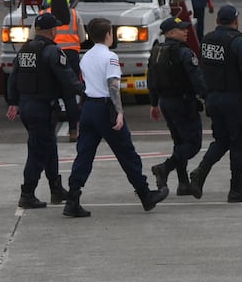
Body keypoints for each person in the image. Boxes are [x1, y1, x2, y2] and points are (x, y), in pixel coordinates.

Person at [62, 17, 168, 217]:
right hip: (105, 108)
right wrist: (119, 112)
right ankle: (145, 195)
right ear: (109, 34)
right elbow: (113, 87)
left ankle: (72, 198)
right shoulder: (110, 58)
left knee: (84, 155)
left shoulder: (85, 57)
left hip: (88, 109)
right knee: (127, 153)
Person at [190, 6, 242, 203]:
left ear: (217, 21)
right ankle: (236, 189)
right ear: (236, 21)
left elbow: (202, 70)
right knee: (241, 143)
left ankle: (201, 171)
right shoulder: (238, 43)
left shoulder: (207, 40)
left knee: (222, 140)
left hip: (214, 99)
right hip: (234, 100)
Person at [6, 10, 82, 209]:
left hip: (27, 105)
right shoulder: (52, 51)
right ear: (52, 30)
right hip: (42, 107)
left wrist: (13, 102)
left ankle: (56, 189)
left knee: (49, 147)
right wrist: (87, 92)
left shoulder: (24, 50)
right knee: (38, 151)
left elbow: (13, 78)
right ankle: (27, 193)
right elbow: (68, 78)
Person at [147, 15, 207, 195]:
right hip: (183, 102)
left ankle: (183, 183)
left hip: (166, 102)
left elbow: (151, 79)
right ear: (171, 33)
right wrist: (206, 96)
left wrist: (154, 103)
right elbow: (196, 78)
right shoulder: (183, 52)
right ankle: (165, 168)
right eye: (182, 29)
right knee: (193, 143)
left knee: (179, 142)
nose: (186, 31)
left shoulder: (157, 50)